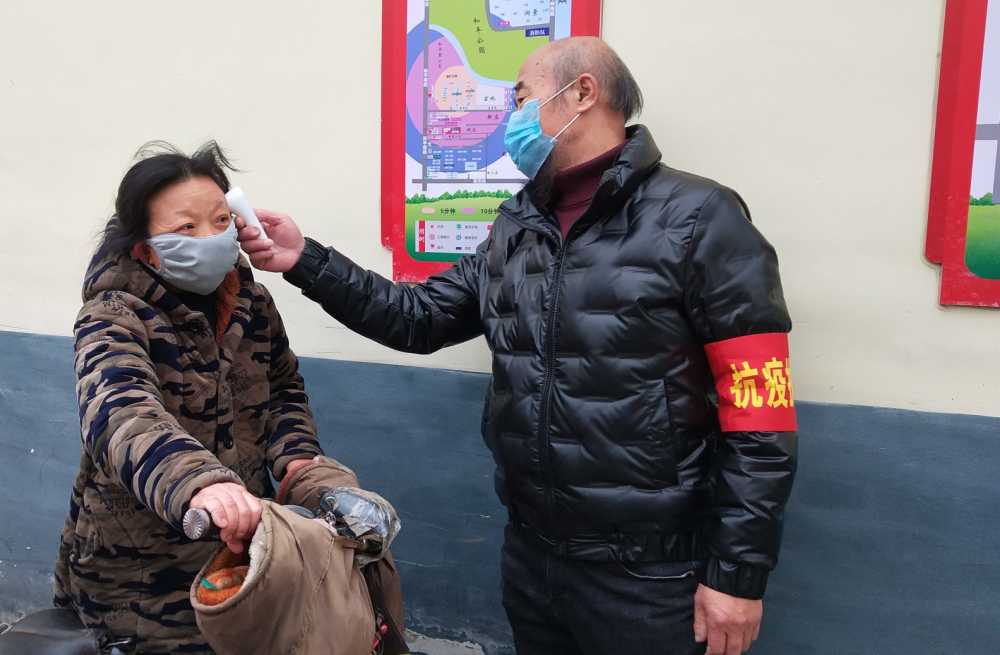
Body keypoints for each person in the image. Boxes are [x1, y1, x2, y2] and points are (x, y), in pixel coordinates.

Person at [239, 37, 797, 655]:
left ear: (582, 94)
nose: (512, 117)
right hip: (534, 557)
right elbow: (417, 318)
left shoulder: (700, 216)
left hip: (651, 574)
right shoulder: (519, 225)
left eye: (522, 98)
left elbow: (760, 414)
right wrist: (305, 260)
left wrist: (736, 576)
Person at [53, 142, 324, 653]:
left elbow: (283, 389)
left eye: (221, 220)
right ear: (147, 250)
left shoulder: (252, 302)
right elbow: (120, 413)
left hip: (242, 556)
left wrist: (298, 461)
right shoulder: (113, 315)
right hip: (140, 578)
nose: (211, 238)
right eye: (186, 227)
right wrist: (200, 484)